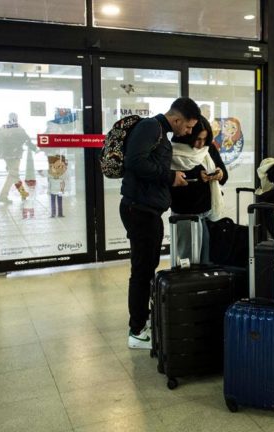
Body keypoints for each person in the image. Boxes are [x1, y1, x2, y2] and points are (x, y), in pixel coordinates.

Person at [120, 97, 200, 349]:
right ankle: (136, 331)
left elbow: (149, 165)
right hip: (140, 210)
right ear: (177, 120)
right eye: (187, 127)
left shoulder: (159, 132)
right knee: (142, 271)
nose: (187, 132)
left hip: (147, 210)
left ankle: (140, 324)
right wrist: (169, 176)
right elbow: (135, 162)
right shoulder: (150, 128)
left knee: (146, 267)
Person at [169, 116, 228, 263]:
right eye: (197, 139)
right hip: (185, 214)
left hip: (207, 213)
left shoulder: (209, 149)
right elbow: (173, 183)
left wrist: (219, 174)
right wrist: (197, 177)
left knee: (206, 259)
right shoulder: (175, 151)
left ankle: (202, 285)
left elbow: (224, 175)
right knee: (187, 260)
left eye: (204, 139)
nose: (201, 144)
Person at [0, 113, 31, 203]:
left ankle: (23, 193)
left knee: (14, 174)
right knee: (13, 175)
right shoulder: (18, 127)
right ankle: (3, 196)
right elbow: (27, 138)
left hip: (6, 155)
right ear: (16, 118)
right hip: (15, 155)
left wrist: (1, 152)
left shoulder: (3, 127)